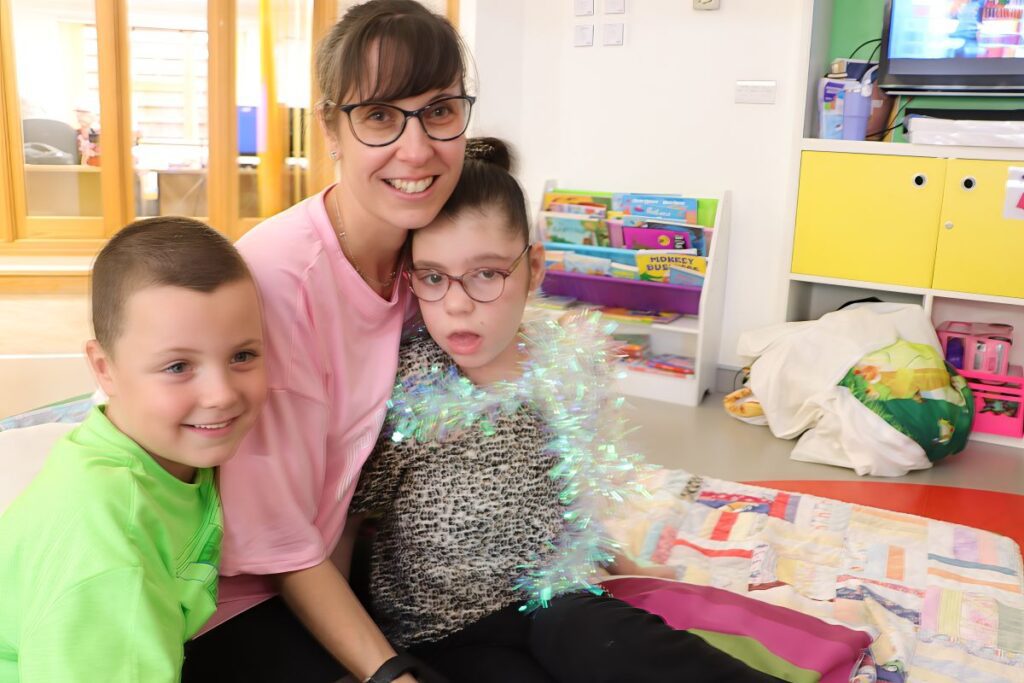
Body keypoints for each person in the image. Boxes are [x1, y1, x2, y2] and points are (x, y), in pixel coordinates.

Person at [345, 138, 788, 683]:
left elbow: (565, 499)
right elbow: (345, 524)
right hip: (447, 630)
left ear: (533, 267)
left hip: (552, 597)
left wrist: (631, 569)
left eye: (486, 273)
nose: (457, 303)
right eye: (433, 277)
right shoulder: (405, 386)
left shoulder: (561, 365)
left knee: (618, 641)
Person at [181, 2, 472, 682]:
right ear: (331, 130)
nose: (417, 148)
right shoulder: (278, 283)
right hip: (234, 601)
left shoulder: (424, 259)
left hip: (343, 561)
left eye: (439, 110)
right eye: (379, 116)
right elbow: (276, 542)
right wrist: (386, 671)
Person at [0, 217, 267, 682]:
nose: (222, 393)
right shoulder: (108, 548)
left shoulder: (164, 455)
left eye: (242, 356)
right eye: (178, 365)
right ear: (104, 368)